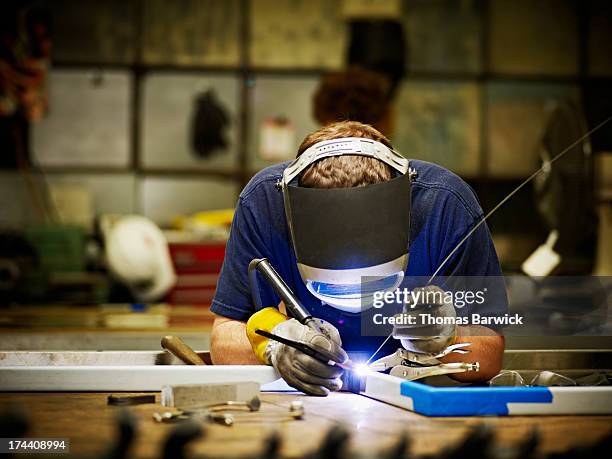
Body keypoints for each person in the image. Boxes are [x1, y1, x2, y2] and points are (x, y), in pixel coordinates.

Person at [210, 121, 505, 396]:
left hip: (419, 397)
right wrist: (275, 343)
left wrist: (449, 338)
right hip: (307, 399)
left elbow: (489, 354)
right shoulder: (264, 204)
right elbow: (224, 340)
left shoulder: (445, 204)